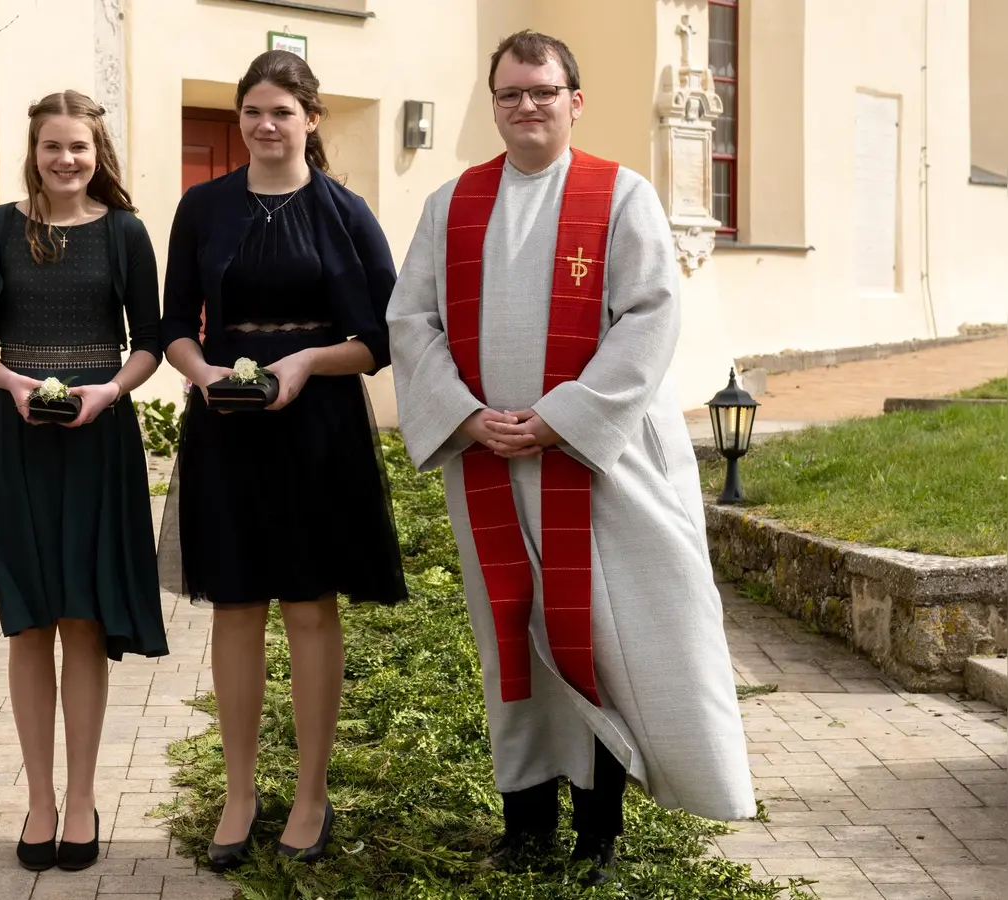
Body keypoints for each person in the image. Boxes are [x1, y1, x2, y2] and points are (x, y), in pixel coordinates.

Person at [385, 30, 755, 885]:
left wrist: (560, 419)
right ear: (495, 103)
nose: (527, 106)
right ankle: (525, 825)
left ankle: (598, 831)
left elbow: (651, 317)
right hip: (488, 463)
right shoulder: (451, 206)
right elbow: (412, 322)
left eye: (543, 91)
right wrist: (468, 417)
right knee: (511, 636)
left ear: (574, 100)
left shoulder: (620, 196)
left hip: (596, 469)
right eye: (511, 93)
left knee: (600, 639)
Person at [157, 50, 408, 870]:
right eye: (253, 113)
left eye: (282, 112)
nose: (266, 126)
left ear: (310, 119)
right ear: (241, 121)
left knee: (307, 607)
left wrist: (304, 364)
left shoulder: (345, 211)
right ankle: (238, 792)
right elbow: (173, 325)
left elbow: (382, 337)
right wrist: (202, 376)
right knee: (236, 606)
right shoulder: (203, 208)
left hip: (319, 428)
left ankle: (309, 793)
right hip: (227, 425)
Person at [0, 90, 169, 874]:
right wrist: (13, 382)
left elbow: (149, 341)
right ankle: (38, 800)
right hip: (14, 440)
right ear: (34, 151)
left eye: (78, 147)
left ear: (96, 152)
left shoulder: (125, 232)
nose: (66, 160)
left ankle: (81, 800)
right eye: (52, 147)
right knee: (30, 621)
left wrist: (111, 390)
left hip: (98, 439)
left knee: (82, 619)